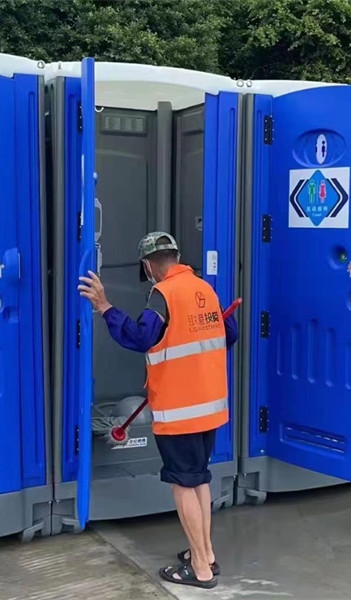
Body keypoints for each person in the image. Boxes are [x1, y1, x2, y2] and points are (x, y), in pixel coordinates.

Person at [78, 232, 237, 590]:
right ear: (177, 256)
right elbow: (230, 333)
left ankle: (199, 569)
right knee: (199, 478)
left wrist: (105, 307)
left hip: (180, 409)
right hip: (210, 406)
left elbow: (140, 336)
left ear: (148, 265)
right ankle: (206, 553)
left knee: (184, 484)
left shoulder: (162, 294)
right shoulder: (205, 290)